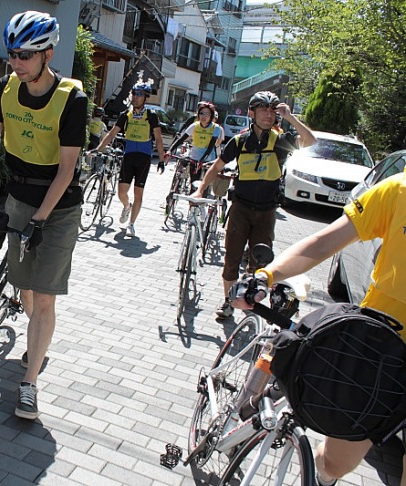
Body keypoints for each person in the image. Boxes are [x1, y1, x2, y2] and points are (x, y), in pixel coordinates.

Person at [229, 168, 406, 486]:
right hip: (377, 356)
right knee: (336, 465)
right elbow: (325, 242)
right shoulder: (398, 191)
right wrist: (266, 276)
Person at [0, 11, 87, 420]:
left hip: (58, 207)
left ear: (48, 53)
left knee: (44, 295)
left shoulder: (71, 98)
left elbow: (67, 169)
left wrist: (41, 220)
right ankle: (36, 331)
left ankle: (28, 384)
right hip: (18, 200)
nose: (17, 62)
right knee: (23, 283)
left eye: (25, 55)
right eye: (13, 54)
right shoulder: (6, 87)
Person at [190, 91, 316, 319]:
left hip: (266, 212)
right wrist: (200, 190)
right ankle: (228, 302)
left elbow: (310, 141)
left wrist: (290, 117)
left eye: (272, 110)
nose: (268, 115)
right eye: (262, 109)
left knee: (258, 263)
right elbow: (216, 168)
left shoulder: (279, 141)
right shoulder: (239, 141)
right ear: (252, 112)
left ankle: (248, 301)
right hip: (241, 209)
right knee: (231, 261)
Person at [94, 82, 165, 237]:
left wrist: (161, 160)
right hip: (129, 156)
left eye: (139, 94)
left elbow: (158, 139)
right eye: (134, 94)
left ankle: (131, 224)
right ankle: (127, 206)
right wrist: (97, 149)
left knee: (138, 193)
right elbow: (112, 134)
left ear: (146, 97)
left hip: (144, 158)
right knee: (121, 192)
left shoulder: (151, 116)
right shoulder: (125, 115)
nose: (135, 97)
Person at [160, 101, 224, 186]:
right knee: (193, 185)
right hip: (194, 158)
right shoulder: (194, 126)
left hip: (207, 160)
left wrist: (202, 160)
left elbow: (210, 146)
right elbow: (181, 139)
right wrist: (170, 150)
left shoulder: (216, 128)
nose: (203, 116)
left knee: (204, 187)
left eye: (207, 114)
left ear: (211, 116)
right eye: (201, 113)